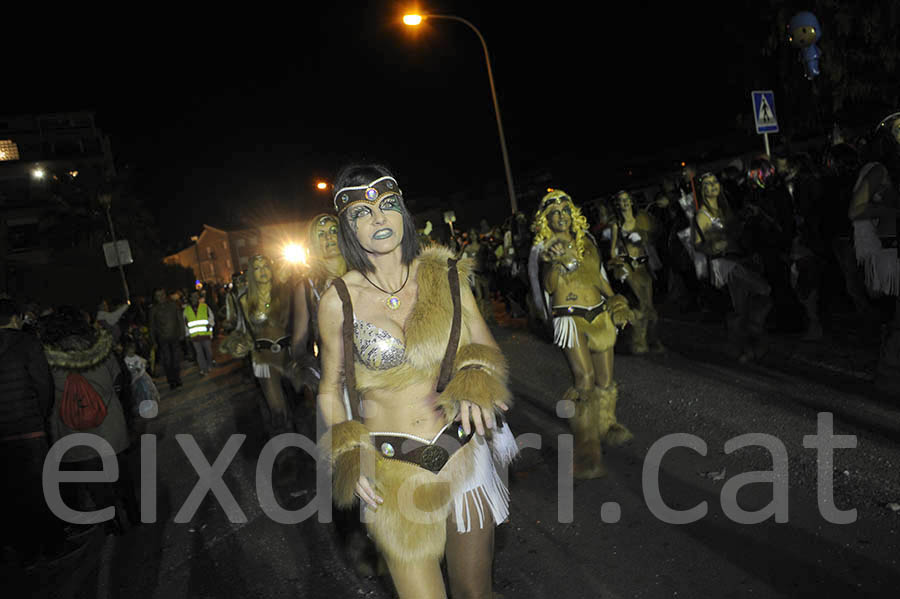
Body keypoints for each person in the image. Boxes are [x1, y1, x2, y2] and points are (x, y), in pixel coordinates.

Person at [318, 164, 517, 599]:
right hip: (392, 470)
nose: (377, 218)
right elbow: (330, 389)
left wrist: (475, 380)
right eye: (362, 213)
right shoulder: (339, 300)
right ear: (348, 227)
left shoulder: (444, 274)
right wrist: (350, 455)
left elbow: (484, 349)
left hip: (463, 450)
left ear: (402, 211)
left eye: (386, 206)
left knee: (474, 593)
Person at [528, 189, 632, 479]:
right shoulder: (543, 248)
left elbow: (599, 275)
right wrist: (557, 262)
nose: (561, 216)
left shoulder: (586, 239)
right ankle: (587, 450)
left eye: (565, 210)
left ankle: (607, 423)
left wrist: (616, 301)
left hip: (599, 314)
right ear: (546, 219)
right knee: (584, 379)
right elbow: (547, 286)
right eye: (554, 213)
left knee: (606, 379)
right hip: (569, 318)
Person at [41, 308, 140, 534]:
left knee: (93, 478)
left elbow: (44, 392)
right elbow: (119, 379)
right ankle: (133, 511)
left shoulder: (46, 358)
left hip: (72, 428)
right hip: (109, 421)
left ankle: (111, 522)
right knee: (120, 471)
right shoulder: (101, 349)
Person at [0, 298, 67, 564]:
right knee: (43, 488)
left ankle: (26, 548)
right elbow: (43, 384)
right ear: (15, 319)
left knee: (13, 491)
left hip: (2, 434)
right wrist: (40, 415)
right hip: (29, 428)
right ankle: (54, 544)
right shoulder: (26, 343)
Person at [693, 172, 772, 362]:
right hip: (725, 264)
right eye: (707, 184)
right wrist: (712, 246)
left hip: (739, 259)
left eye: (714, 182)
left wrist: (744, 221)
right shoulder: (702, 215)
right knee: (763, 289)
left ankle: (745, 348)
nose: (712, 186)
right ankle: (748, 342)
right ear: (702, 190)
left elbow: (735, 235)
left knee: (742, 306)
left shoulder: (725, 208)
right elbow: (697, 244)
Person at [222, 255, 298, 436]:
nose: (262, 271)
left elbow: (301, 321)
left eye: (265, 266)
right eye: (256, 268)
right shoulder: (243, 300)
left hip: (291, 354)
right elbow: (242, 331)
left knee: (304, 406)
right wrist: (239, 344)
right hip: (263, 358)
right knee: (278, 410)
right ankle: (289, 454)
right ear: (251, 274)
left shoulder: (287, 292)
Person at [606, 190, 665, 353]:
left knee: (648, 305)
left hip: (643, 267)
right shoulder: (616, 224)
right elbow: (612, 250)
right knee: (642, 303)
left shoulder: (641, 220)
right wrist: (620, 261)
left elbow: (652, 239)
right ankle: (640, 341)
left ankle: (650, 339)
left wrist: (642, 238)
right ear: (618, 204)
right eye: (621, 201)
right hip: (629, 268)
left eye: (627, 200)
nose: (624, 203)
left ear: (631, 202)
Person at [149, 288, 183, 390]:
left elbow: (180, 319)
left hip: (174, 336)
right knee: (167, 361)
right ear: (155, 297)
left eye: (162, 294)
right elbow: (152, 326)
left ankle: (177, 378)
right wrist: (153, 341)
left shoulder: (173, 305)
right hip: (162, 339)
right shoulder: (153, 310)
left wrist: (182, 333)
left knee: (176, 359)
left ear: (165, 295)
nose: (160, 297)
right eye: (158, 295)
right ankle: (171, 380)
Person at [124, 342, 159, 419]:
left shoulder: (136, 357)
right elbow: (130, 368)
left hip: (143, 377)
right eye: (129, 351)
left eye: (132, 350)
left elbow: (143, 362)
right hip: (137, 380)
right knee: (140, 394)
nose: (131, 352)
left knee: (147, 392)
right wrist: (135, 368)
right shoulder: (126, 360)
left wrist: (142, 365)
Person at [183, 291, 214, 376]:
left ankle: (209, 365)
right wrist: (187, 335)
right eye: (193, 296)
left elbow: (211, 317)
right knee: (199, 354)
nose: (195, 298)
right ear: (190, 298)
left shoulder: (205, 306)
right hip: (194, 336)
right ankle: (203, 369)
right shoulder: (186, 310)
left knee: (209, 352)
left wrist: (210, 325)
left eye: (196, 296)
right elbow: (185, 323)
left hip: (205, 334)